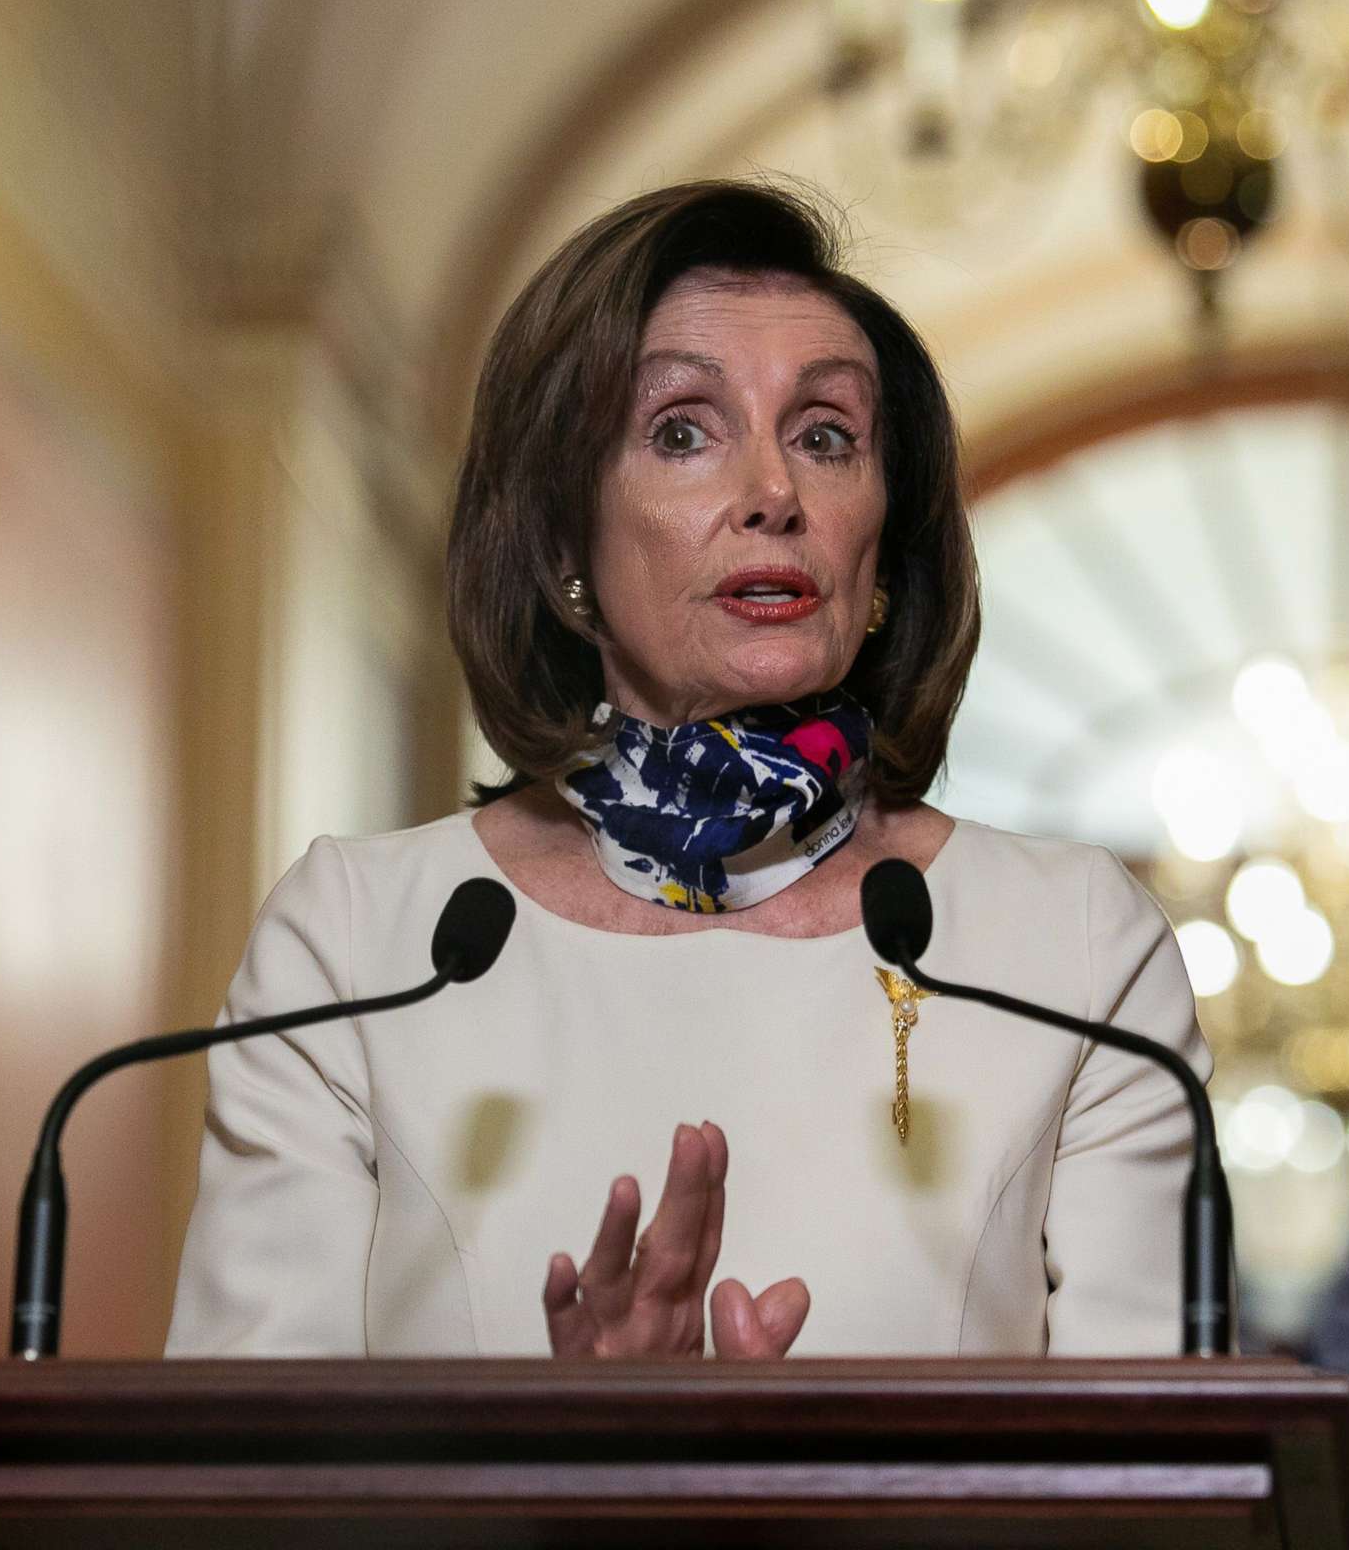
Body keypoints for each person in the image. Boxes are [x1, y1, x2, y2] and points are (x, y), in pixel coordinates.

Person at [166, 180, 1207, 1360]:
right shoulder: (360, 944)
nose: (775, 495)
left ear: (886, 551)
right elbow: (240, 1491)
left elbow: (1166, 1491)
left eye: (827, 436)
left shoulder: (1072, 953)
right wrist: (583, 1474)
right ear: (562, 541)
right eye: (682, 431)